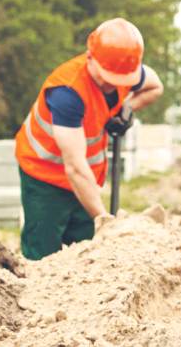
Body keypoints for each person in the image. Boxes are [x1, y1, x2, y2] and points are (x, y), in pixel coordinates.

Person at [14, 18, 164, 260]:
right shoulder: (67, 92)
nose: (110, 84)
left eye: (118, 79)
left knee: (89, 252)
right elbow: (74, 166)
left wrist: (127, 109)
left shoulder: (125, 72)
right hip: (45, 178)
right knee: (42, 255)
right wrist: (105, 221)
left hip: (86, 180)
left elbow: (156, 87)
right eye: (107, 76)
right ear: (90, 56)